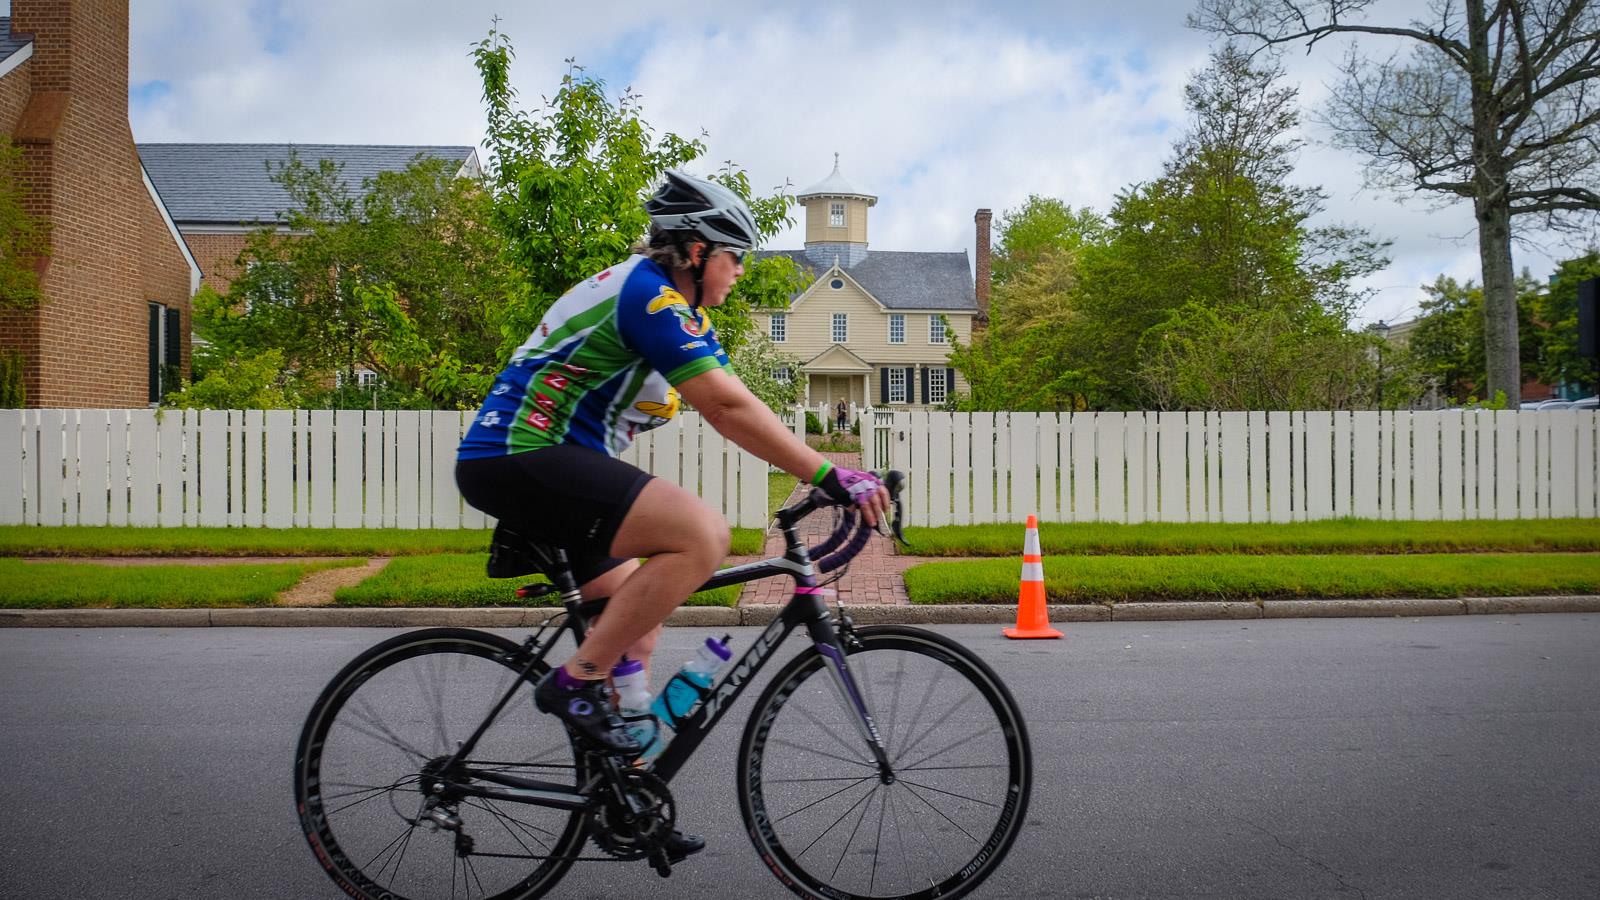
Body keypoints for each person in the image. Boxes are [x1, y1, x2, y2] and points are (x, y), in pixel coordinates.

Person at [454, 171, 890, 859]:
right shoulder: (647, 295)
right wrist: (832, 472)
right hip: (520, 452)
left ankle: (629, 800)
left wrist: (814, 470)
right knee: (701, 536)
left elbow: (737, 400)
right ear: (693, 251)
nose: (742, 270)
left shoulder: (675, 311)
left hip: (545, 460)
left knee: (639, 626)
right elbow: (727, 411)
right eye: (734, 255)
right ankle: (572, 683)